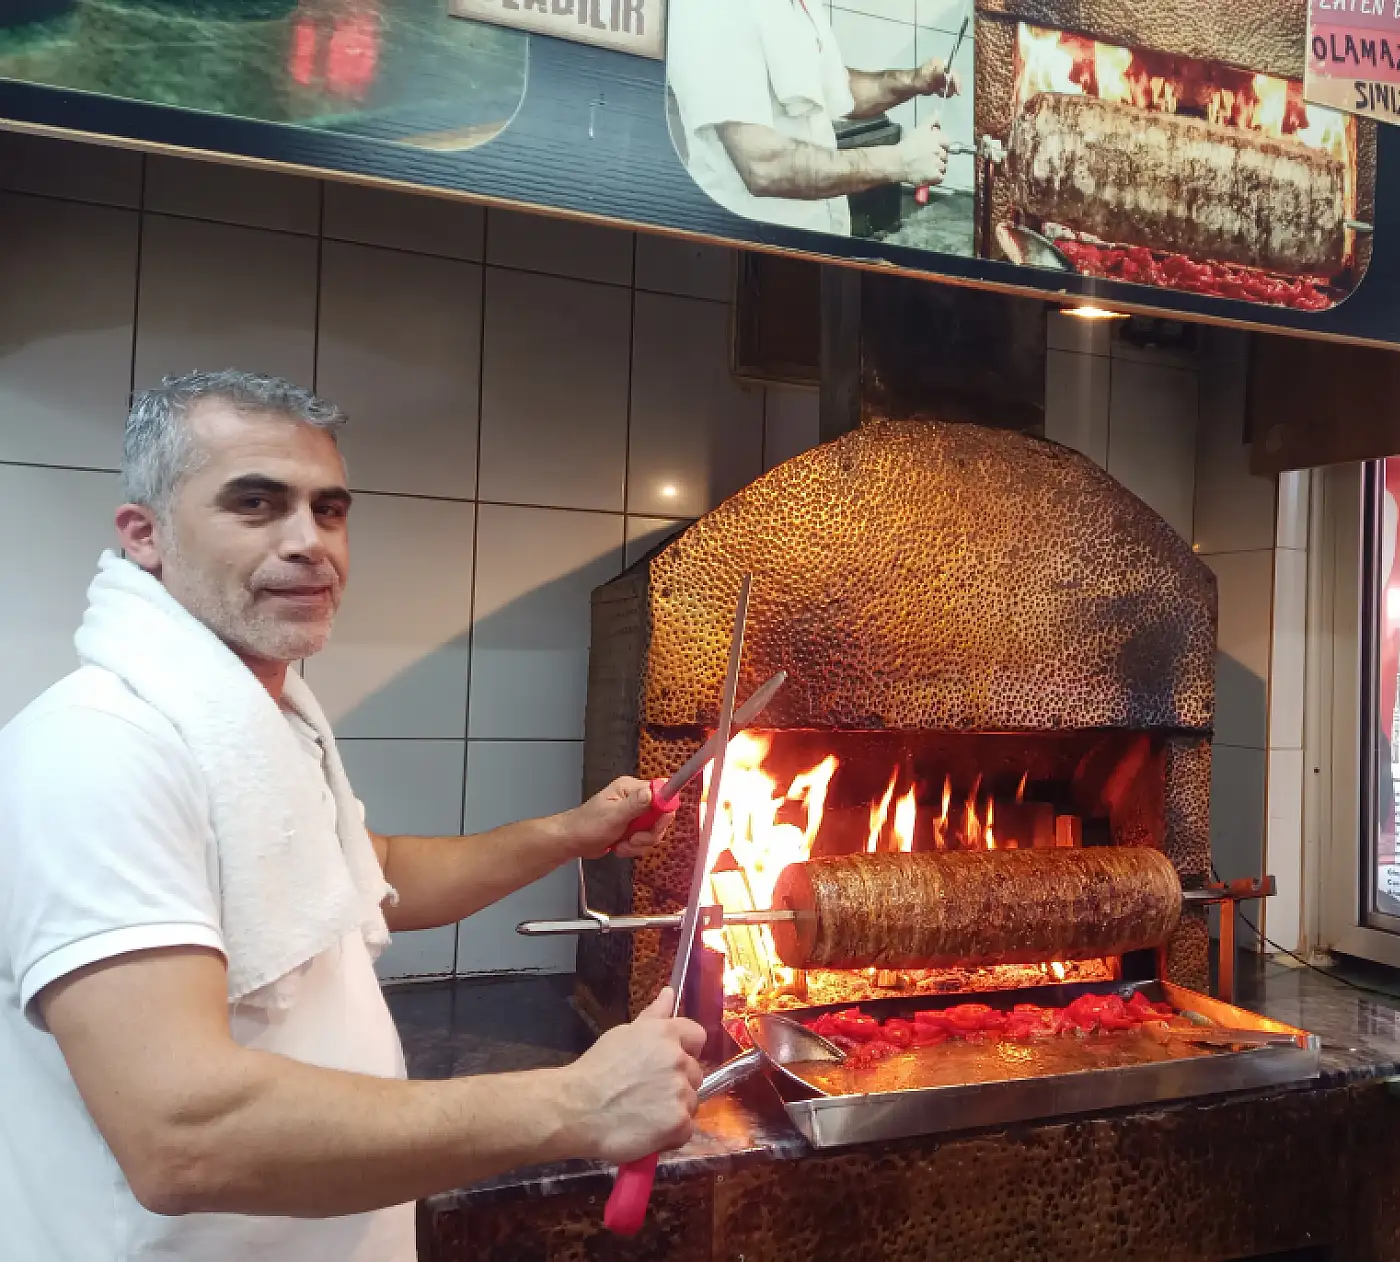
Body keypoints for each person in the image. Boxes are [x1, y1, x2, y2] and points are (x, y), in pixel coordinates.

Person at [0, 371, 706, 1262]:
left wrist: (575, 834)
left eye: (329, 511)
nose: (310, 544)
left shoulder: (260, 721)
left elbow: (368, 873)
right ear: (146, 536)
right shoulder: (98, 751)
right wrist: (575, 1105)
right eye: (256, 505)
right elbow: (181, 1132)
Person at [666, 0, 960, 233]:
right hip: (751, 249)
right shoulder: (712, 8)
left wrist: (914, 81)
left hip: (815, 243)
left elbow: (835, 89)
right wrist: (899, 161)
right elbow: (762, 166)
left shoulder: (798, 5)